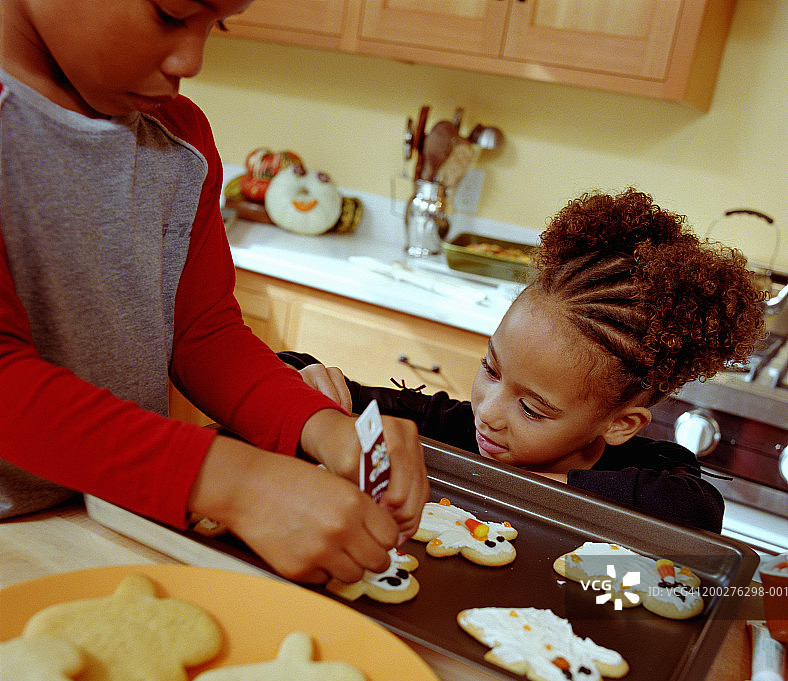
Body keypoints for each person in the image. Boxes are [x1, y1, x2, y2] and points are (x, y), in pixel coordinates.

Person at [0, 0, 429, 584]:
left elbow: (204, 332)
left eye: (216, 24)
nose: (192, 59)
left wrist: (323, 426)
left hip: (116, 521)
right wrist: (232, 480)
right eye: (170, 14)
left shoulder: (180, 137)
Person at [281, 188, 765, 534]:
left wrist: (518, 484)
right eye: (491, 370)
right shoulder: (456, 426)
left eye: (532, 409)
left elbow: (698, 510)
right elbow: (306, 376)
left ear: (621, 424)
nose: (488, 411)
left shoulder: (656, 475)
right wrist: (312, 383)